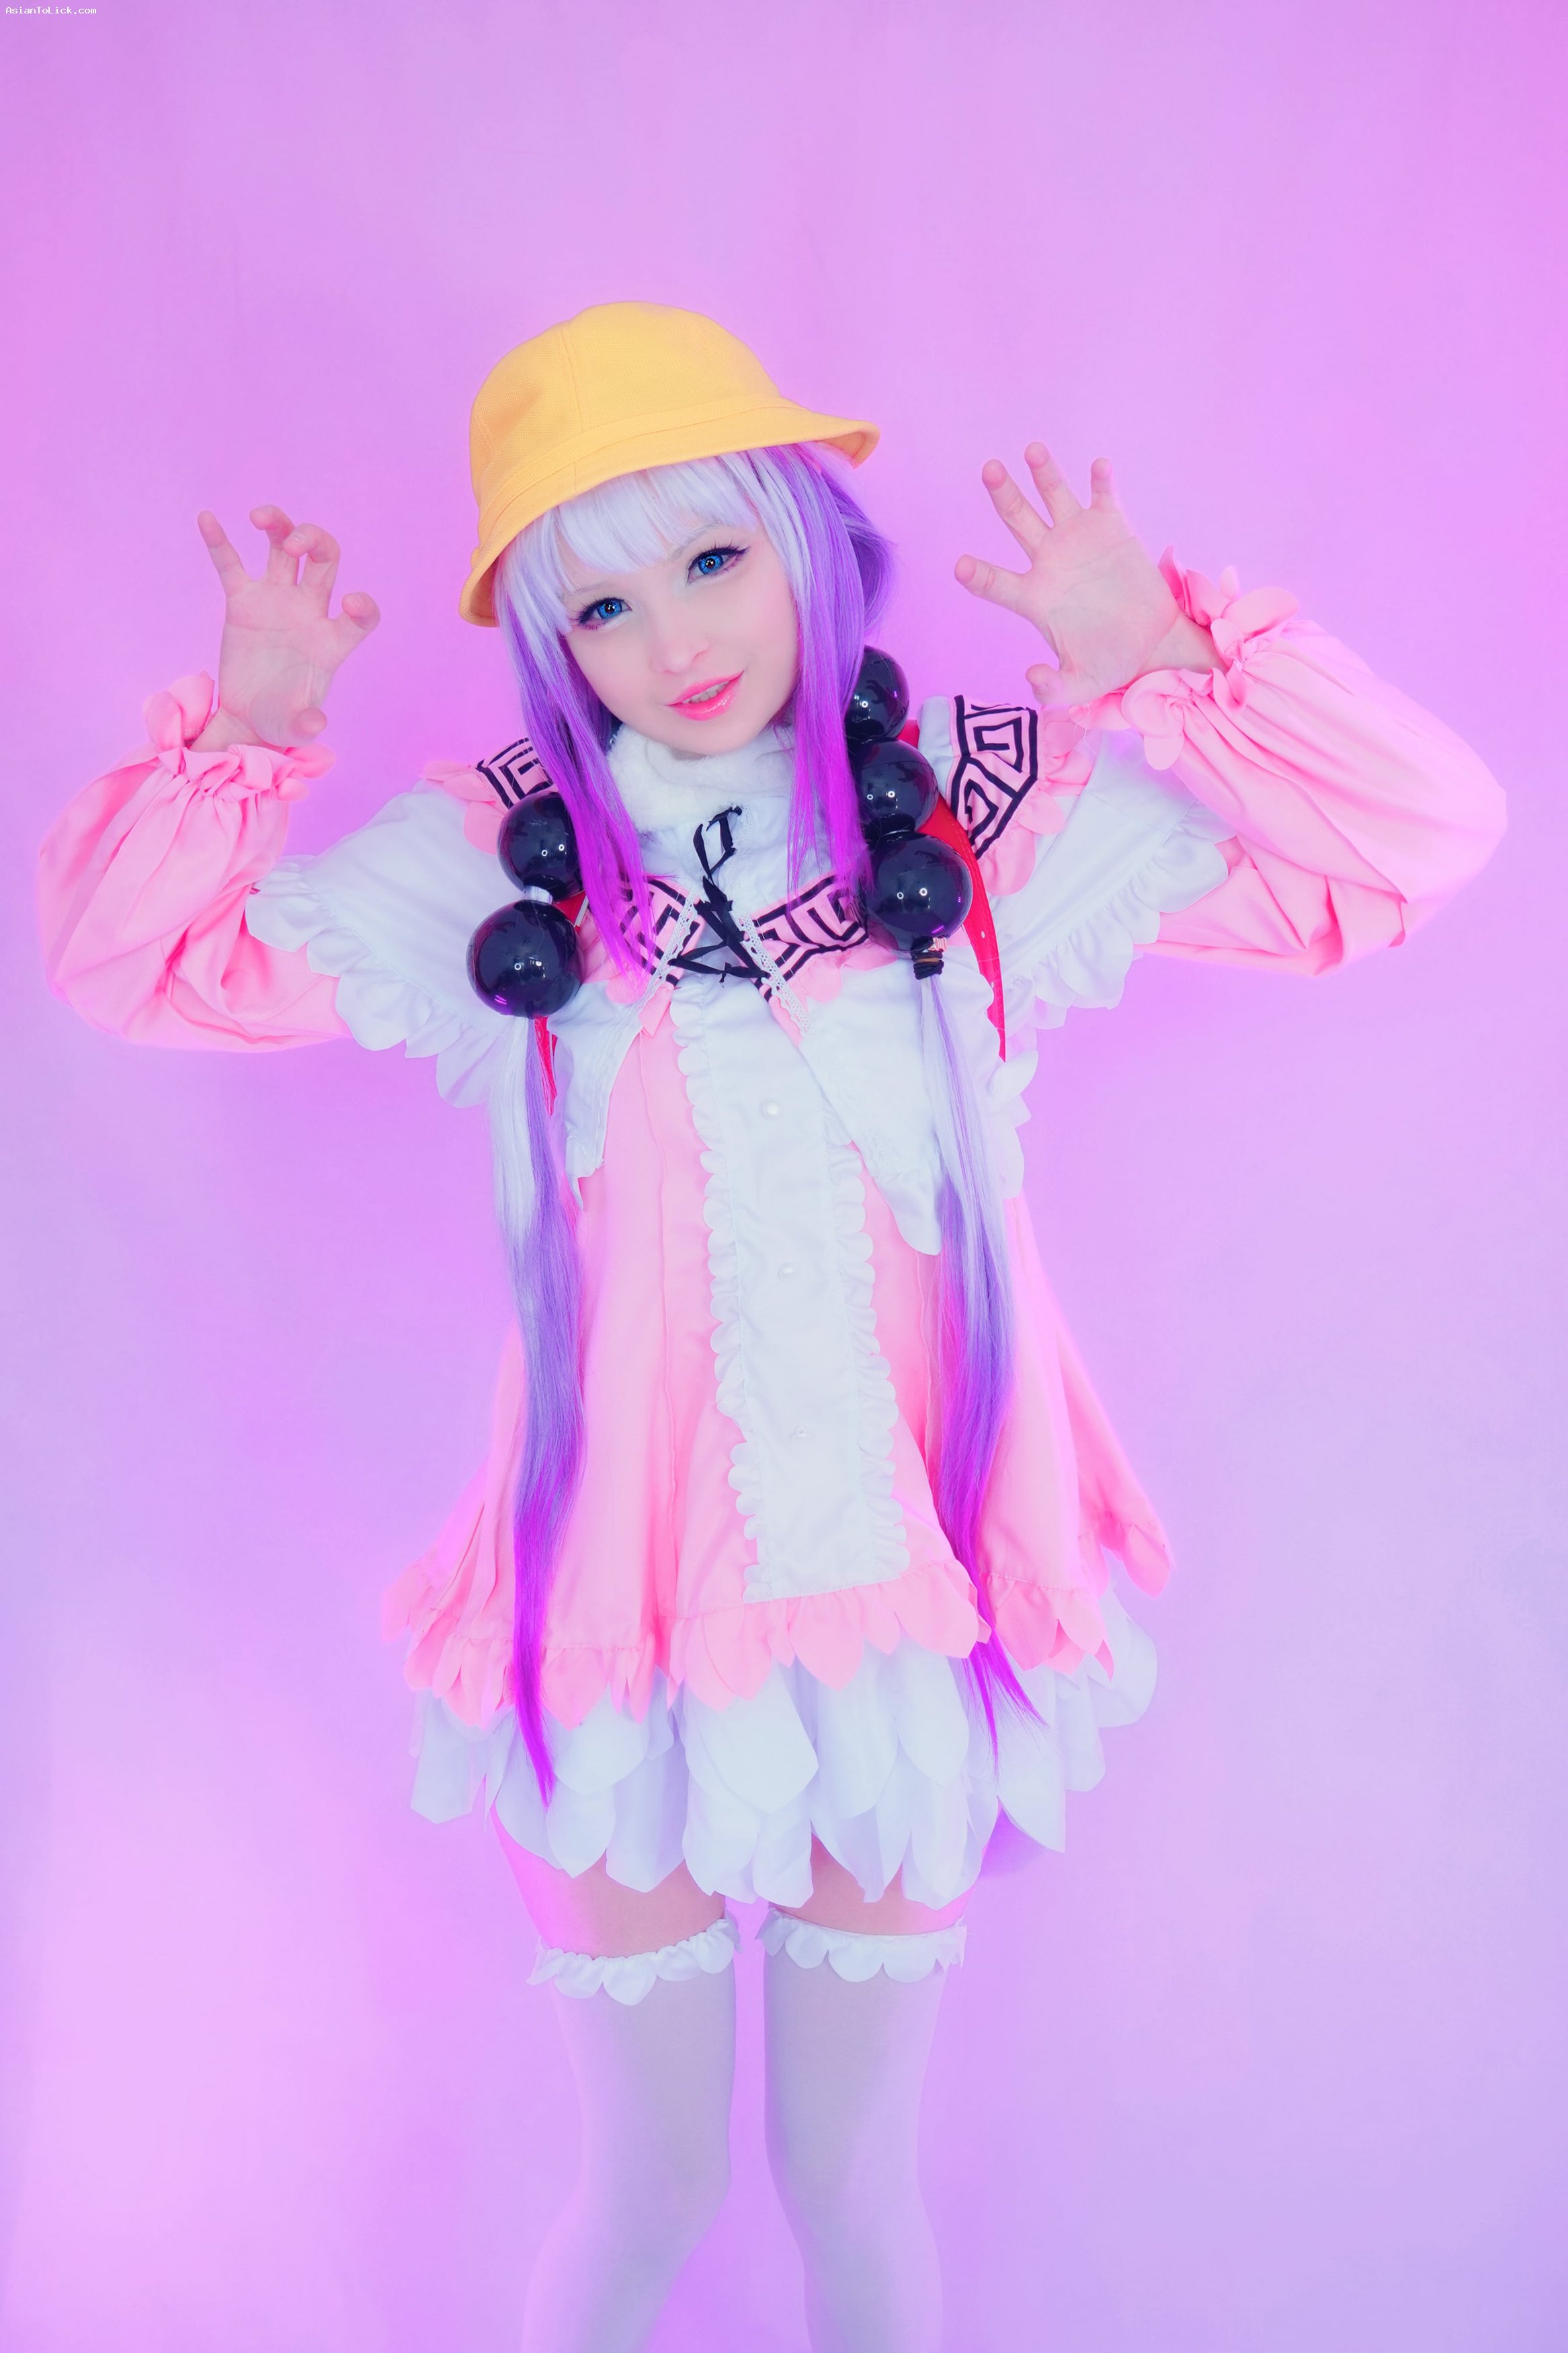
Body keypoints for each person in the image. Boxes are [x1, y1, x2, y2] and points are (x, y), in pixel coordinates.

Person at [38, 302, 1505, 2353]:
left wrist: (1166, 657)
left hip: (899, 1623)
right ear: (555, 645)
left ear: (808, 539)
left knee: (849, 2182)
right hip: (617, 1633)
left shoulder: (978, 825)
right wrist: (253, 724)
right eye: (603, 603)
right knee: (647, 2183)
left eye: (715, 557)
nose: (676, 637)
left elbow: (1416, 838)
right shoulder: (501, 876)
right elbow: (136, 965)